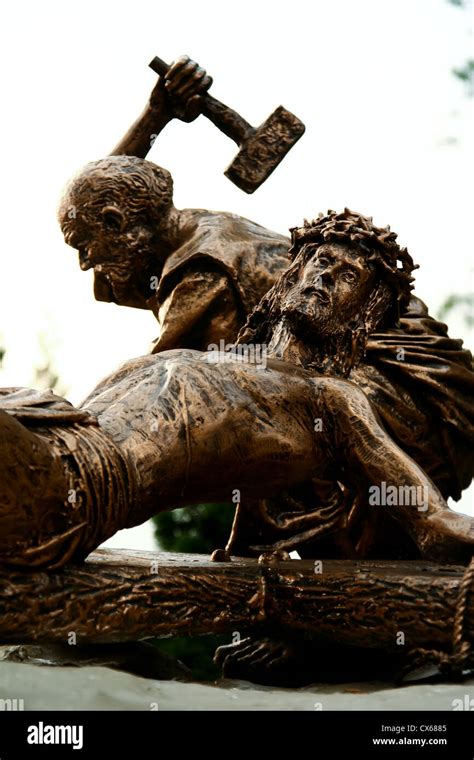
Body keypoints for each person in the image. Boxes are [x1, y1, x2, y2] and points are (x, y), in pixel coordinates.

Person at [1, 210, 473, 571]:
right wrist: (239, 551)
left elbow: (433, 524)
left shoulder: (333, 401)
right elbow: (253, 488)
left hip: (72, 491)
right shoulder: (223, 356)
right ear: (292, 275)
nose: (327, 277)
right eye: (322, 262)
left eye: (349, 276)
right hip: (51, 426)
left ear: (366, 313)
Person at [58, 57, 290, 352]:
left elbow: (153, 383)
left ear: (117, 222)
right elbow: (101, 195)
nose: (84, 264)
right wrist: (156, 116)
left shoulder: (202, 269)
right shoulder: (187, 238)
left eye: (84, 248)